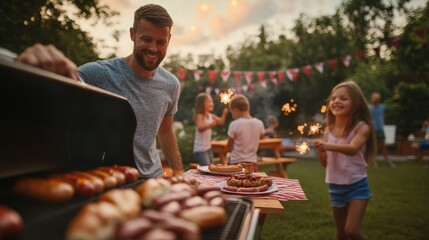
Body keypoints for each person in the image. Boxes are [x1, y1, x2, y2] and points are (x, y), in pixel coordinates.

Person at [17, 4, 184, 178]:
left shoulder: (171, 84)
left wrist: (179, 171)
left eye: (161, 42)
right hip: (110, 179)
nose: (153, 48)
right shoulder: (95, 74)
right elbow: (52, 97)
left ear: (169, 39)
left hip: (154, 178)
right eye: (146, 39)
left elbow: (166, 130)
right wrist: (36, 67)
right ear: (133, 34)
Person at [313, 80, 376, 240]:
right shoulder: (328, 130)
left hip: (357, 185)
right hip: (335, 186)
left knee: (352, 231)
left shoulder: (362, 127)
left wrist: (327, 146)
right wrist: (321, 150)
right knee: (341, 233)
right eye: (334, 98)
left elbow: (353, 148)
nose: (336, 102)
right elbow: (325, 163)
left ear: (356, 103)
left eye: (343, 98)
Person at [227, 94, 265, 170]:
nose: (232, 115)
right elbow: (262, 137)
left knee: (236, 181)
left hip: (236, 163)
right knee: (252, 181)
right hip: (252, 162)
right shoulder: (259, 123)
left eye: (232, 112)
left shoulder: (234, 124)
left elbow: (229, 145)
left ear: (235, 110)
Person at [193, 93, 228, 166]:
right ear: (202, 104)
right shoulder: (200, 115)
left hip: (208, 148)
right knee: (207, 169)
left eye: (212, 101)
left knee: (210, 168)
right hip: (200, 149)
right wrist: (210, 125)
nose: (212, 103)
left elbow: (221, 122)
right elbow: (200, 128)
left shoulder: (211, 116)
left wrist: (224, 114)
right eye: (209, 101)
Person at [369, 92, 395, 167]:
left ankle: (387, 161)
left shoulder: (382, 107)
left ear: (379, 99)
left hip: (380, 129)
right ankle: (374, 161)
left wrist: (382, 124)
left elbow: (384, 117)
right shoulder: (369, 107)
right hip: (372, 129)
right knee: (373, 146)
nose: (376, 100)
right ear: (372, 99)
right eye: (374, 99)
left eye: (377, 99)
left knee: (383, 146)